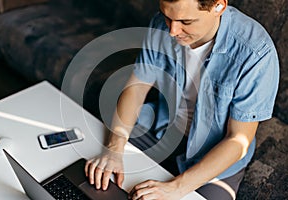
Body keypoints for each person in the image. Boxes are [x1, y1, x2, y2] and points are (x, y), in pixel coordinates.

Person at [84, 0, 279, 199]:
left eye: (186, 21)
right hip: (161, 128)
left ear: (218, 6)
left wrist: (176, 188)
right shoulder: (162, 24)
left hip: (214, 154)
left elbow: (237, 140)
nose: (172, 31)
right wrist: (115, 149)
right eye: (168, 17)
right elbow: (136, 88)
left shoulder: (256, 53)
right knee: (93, 176)